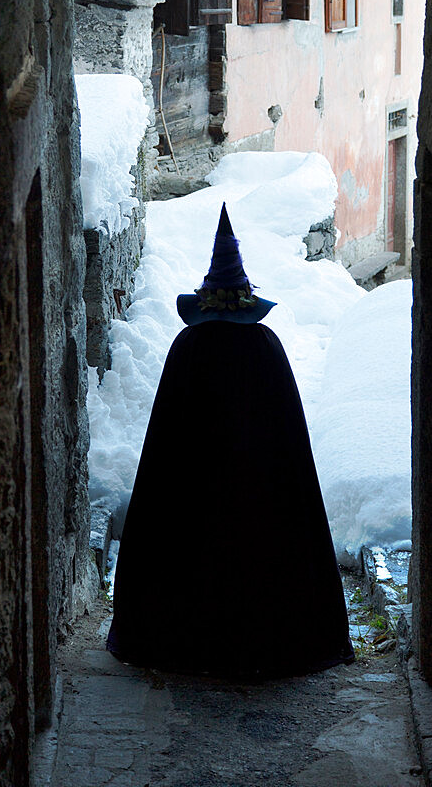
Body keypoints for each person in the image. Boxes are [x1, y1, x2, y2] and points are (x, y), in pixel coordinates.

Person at [106, 203, 354, 676]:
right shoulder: (264, 348)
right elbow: (290, 456)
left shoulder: (188, 349)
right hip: (260, 506)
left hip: (191, 509)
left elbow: (163, 456)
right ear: (247, 301)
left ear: (204, 301)